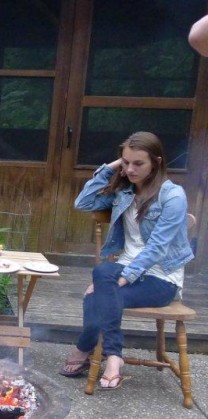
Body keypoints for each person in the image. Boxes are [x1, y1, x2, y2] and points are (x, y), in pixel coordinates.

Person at [59, 132, 193, 389]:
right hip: (123, 270)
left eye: (138, 164)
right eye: (126, 162)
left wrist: (122, 279)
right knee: (103, 274)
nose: (130, 169)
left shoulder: (173, 196)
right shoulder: (124, 191)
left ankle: (87, 348)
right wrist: (110, 167)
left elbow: (157, 247)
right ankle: (114, 356)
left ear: (156, 161)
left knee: (98, 290)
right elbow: (82, 202)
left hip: (161, 278)